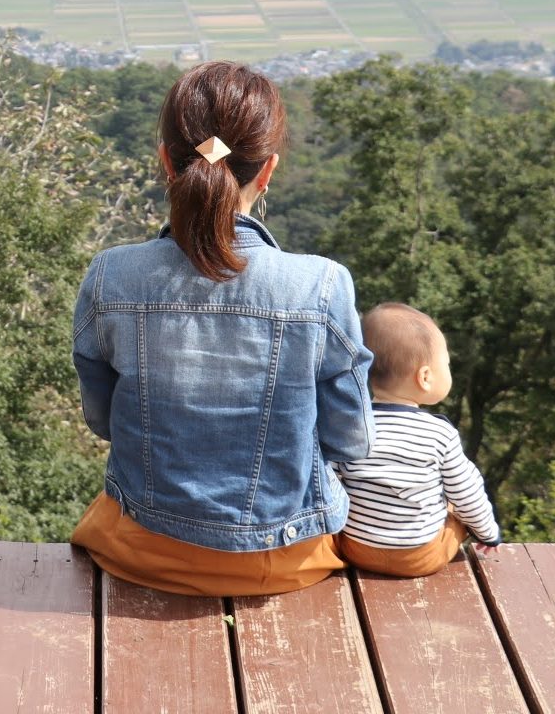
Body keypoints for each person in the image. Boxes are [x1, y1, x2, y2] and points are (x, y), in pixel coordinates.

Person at [70, 60, 375, 596]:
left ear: (167, 161)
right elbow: (351, 439)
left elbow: (104, 422)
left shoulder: (111, 274)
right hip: (284, 560)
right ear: (268, 170)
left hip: (140, 548)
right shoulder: (321, 285)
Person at [336, 303, 501, 576]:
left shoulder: (348, 426)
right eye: (446, 364)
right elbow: (467, 494)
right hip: (418, 557)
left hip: (355, 549)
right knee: (456, 509)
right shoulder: (440, 434)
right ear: (425, 377)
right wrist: (488, 533)